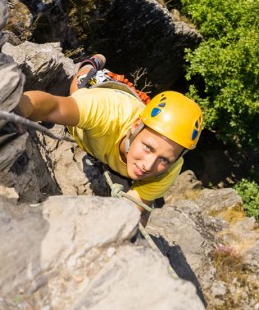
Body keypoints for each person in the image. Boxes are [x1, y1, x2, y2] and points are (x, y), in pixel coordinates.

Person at [16, 54, 203, 212]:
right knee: (77, 87)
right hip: (106, 91)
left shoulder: (167, 171)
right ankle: (93, 61)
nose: (148, 165)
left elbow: (136, 208)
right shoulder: (106, 111)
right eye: (148, 147)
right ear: (135, 126)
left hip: (134, 110)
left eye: (164, 160)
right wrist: (19, 108)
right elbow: (51, 107)